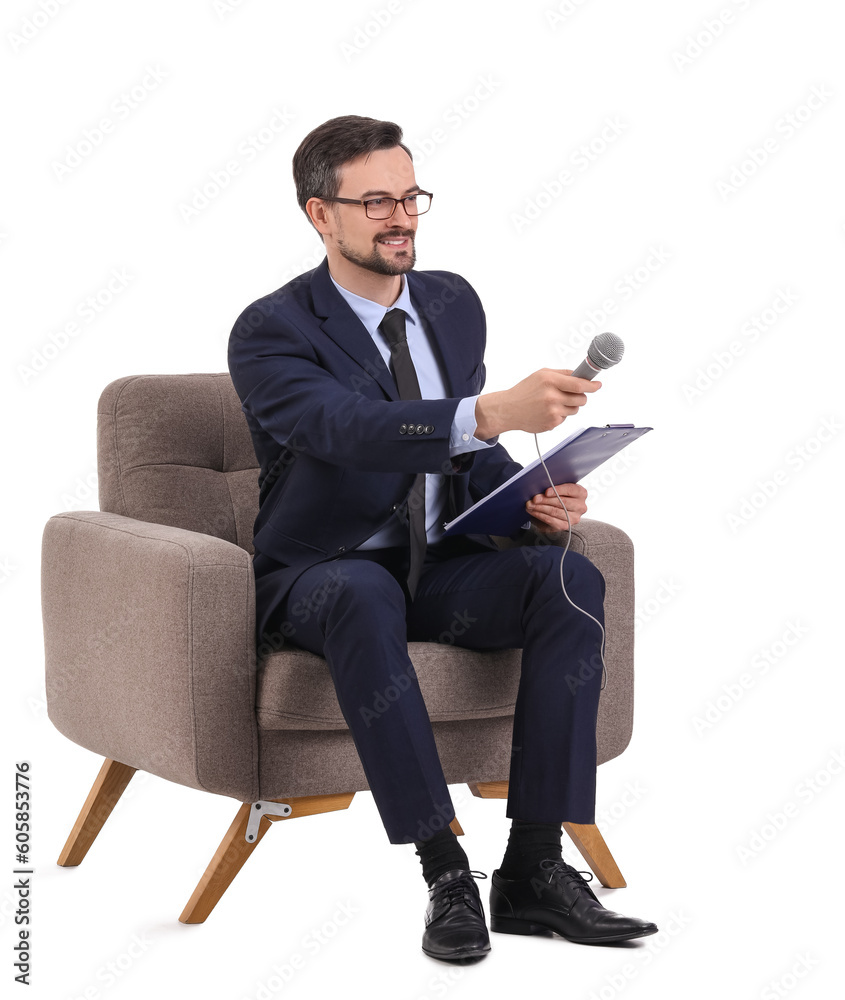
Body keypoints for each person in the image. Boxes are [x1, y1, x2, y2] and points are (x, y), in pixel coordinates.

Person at [228, 115, 656, 962]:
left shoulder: (452, 304)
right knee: (359, 592)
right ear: (321, 215)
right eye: (376, 201)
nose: (402, 218)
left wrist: (532, 496)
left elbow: (468, 450)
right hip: (326, 572)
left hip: (445, 569)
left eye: (411, 196)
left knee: (569, 579)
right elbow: (347, 429)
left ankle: (533, 868)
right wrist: (488, 412)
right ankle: (443, 872)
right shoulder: (270, 330)